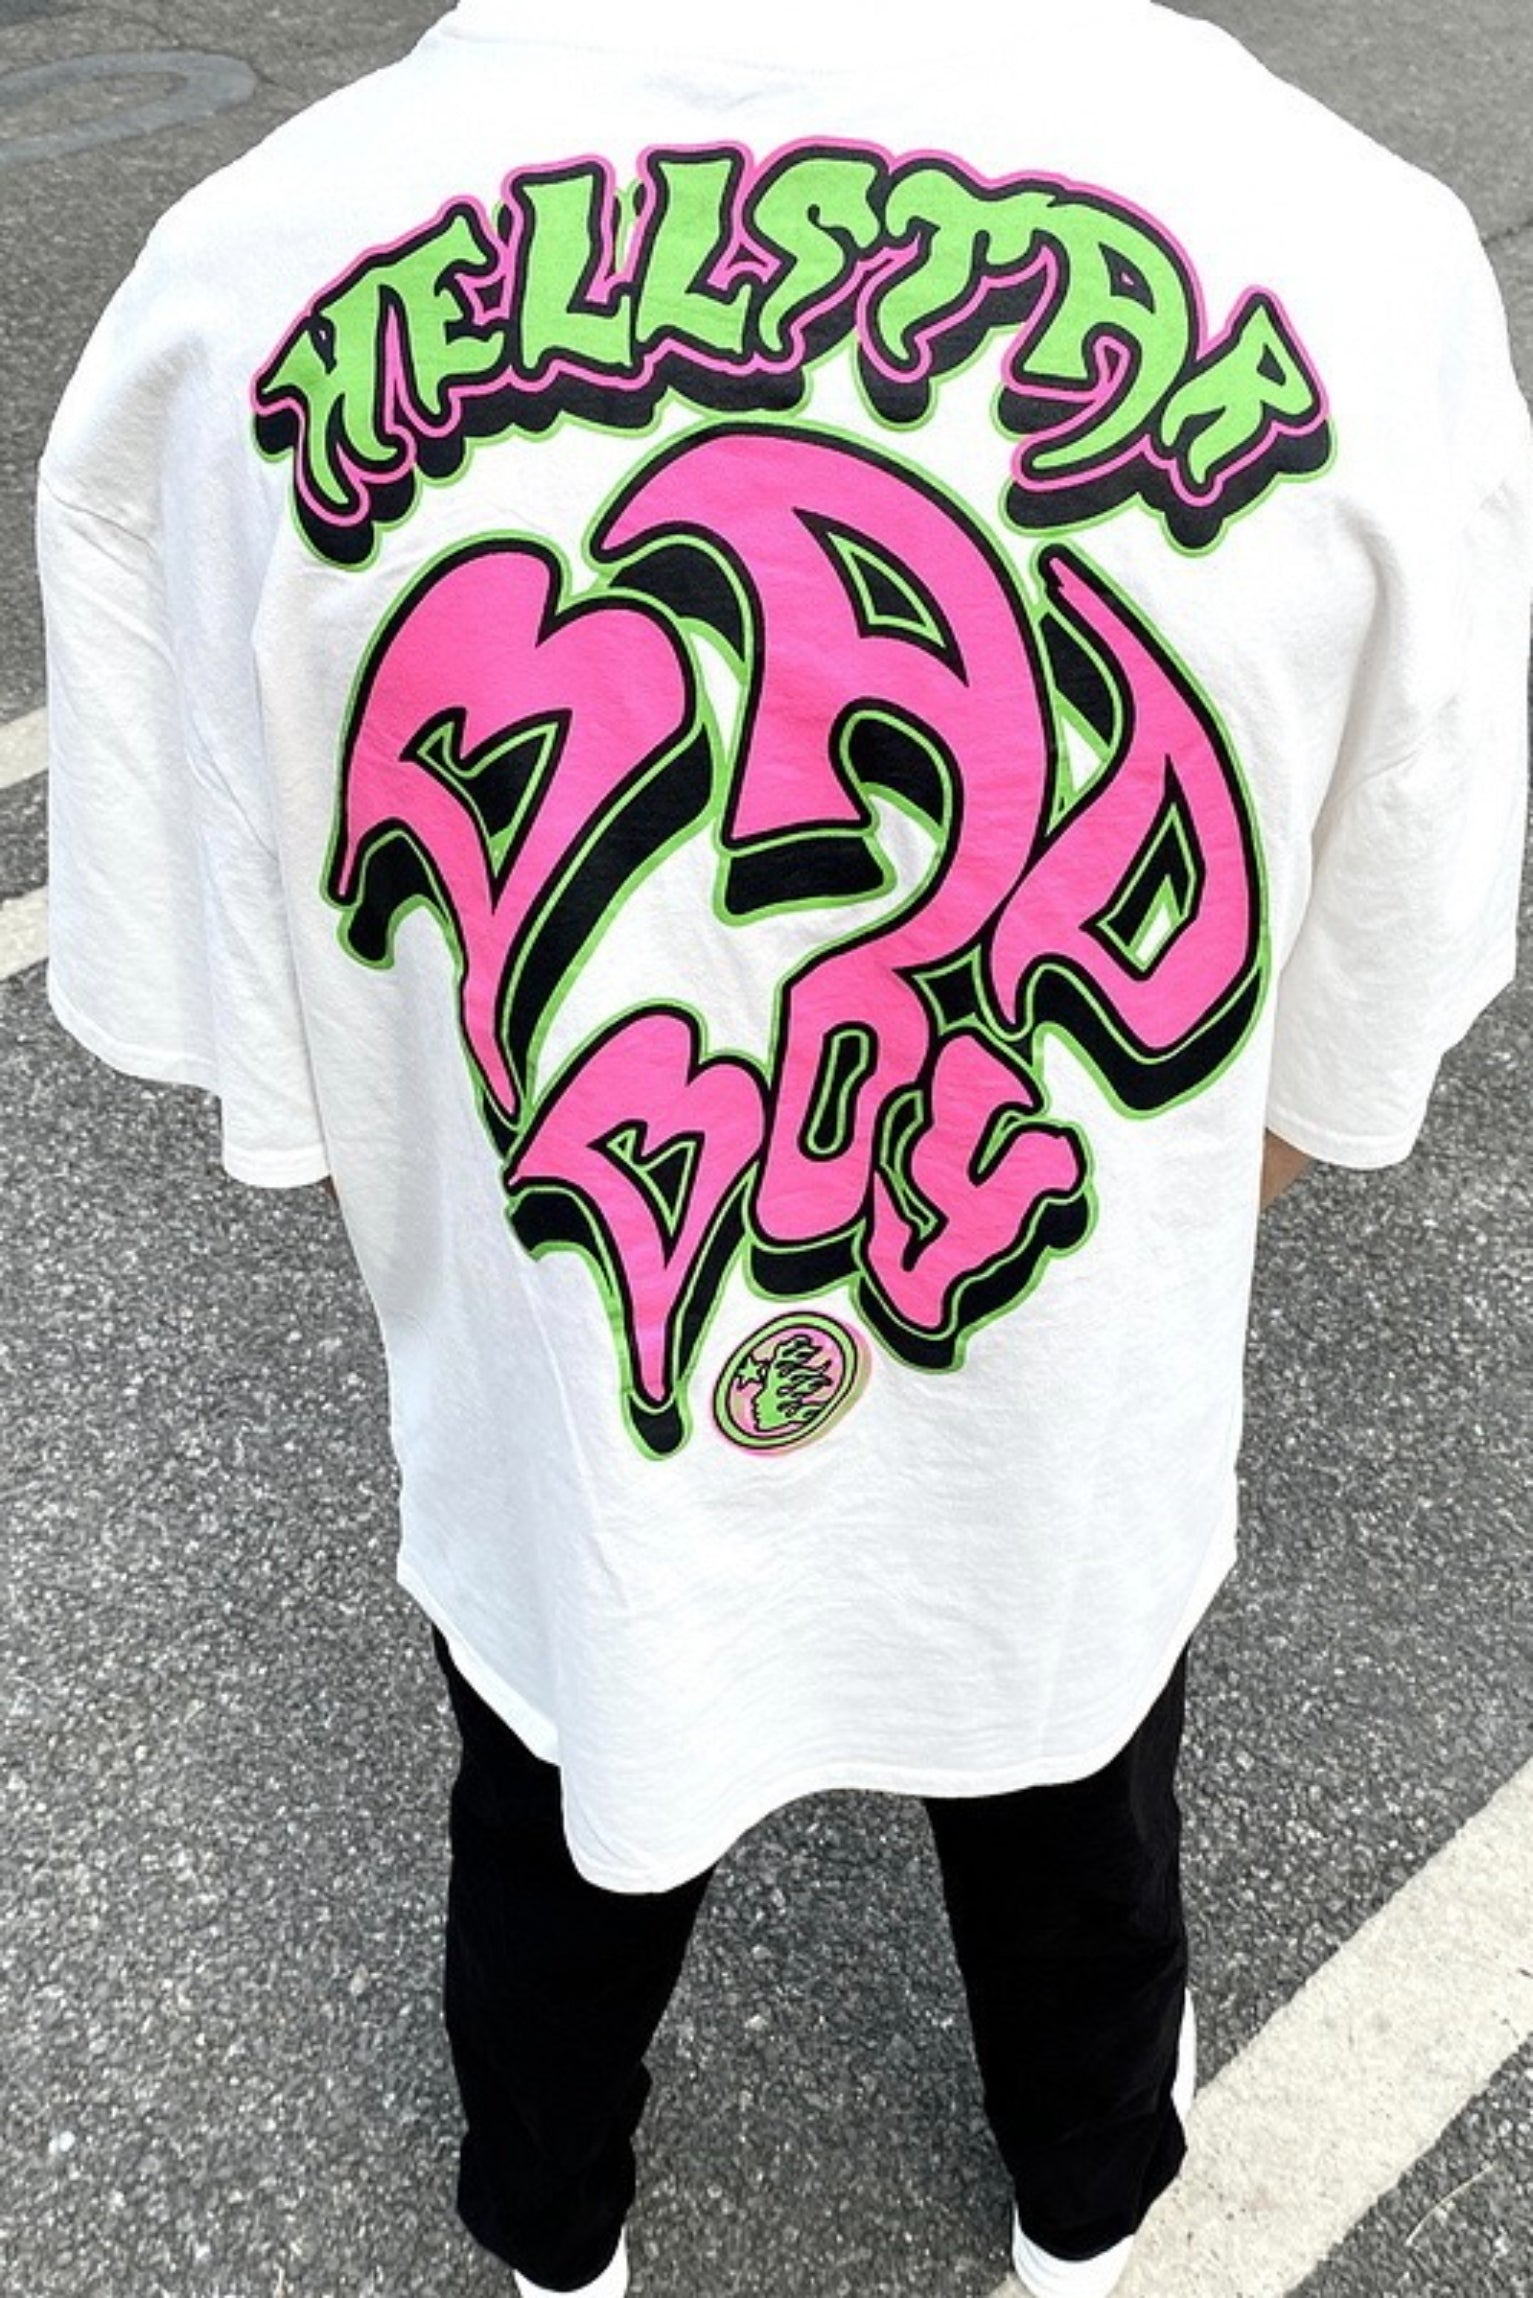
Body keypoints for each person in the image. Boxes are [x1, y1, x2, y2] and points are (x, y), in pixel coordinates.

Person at [37, 1, 1531, 2292]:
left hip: (568, 1452)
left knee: (560, 1833)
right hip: (1053, 1452)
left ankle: (558, 2240)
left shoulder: (237, 286)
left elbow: (290, 1088)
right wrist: (1040, 1264)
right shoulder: (1358, 253)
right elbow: (1339, 1057)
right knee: (1068, 1837)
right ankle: (1082, 2220)